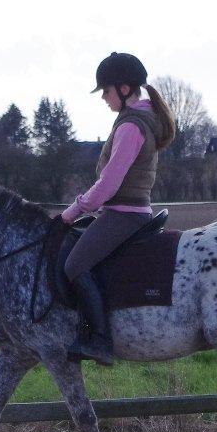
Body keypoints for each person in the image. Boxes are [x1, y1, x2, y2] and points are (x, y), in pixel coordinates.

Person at [59, 52, 177, 366]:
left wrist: (71, 213)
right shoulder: (140, 119)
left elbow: (108, 185)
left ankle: (99, 339)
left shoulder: (130, 127)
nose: (104, 98)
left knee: (74, 265)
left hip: (124, 214)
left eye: (106, 91)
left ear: (124, 89)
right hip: (131, 212)